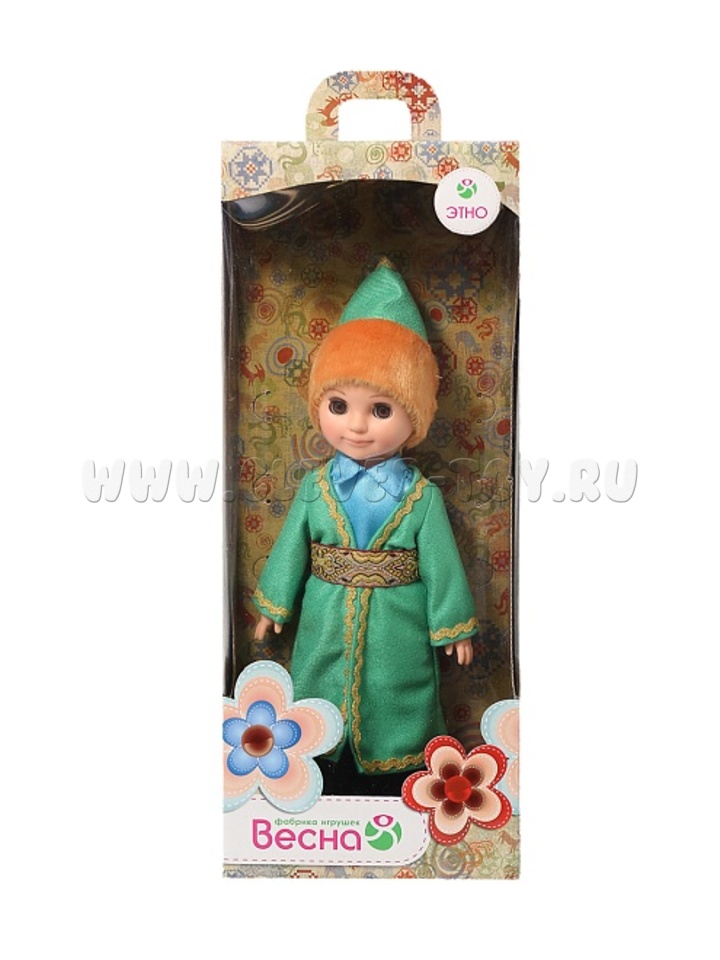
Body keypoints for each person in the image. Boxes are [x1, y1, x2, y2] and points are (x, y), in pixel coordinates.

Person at [253, 259, 477, 786]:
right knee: (316, 686)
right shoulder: (316, 488)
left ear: (414, 415)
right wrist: (273, 605)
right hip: (325, 613)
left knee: (398, 687)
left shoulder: (421, 498)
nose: (356, 425)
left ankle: (398, 769)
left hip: (399, 620)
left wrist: (454, 624)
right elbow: (291, 549)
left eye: (380, 410)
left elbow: (441, 565)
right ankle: (319, 765)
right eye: (338, 405)